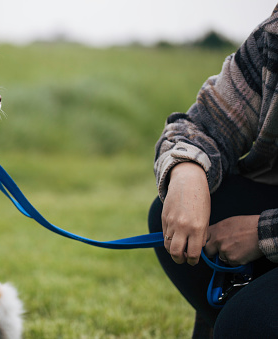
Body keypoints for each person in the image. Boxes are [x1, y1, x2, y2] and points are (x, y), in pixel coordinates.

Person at [148, 4, 278, 338]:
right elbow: (201, 124)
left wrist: (262, 234)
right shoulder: (272, 36)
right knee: (168, 210)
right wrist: (188, 169)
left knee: (247, 322)